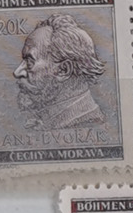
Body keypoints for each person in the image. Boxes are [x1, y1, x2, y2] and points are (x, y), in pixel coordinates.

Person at [12, 7, 110, 138]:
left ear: (64, 70)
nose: (17, 72)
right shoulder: (47, 121)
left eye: (30, 62)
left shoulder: (87, 122)